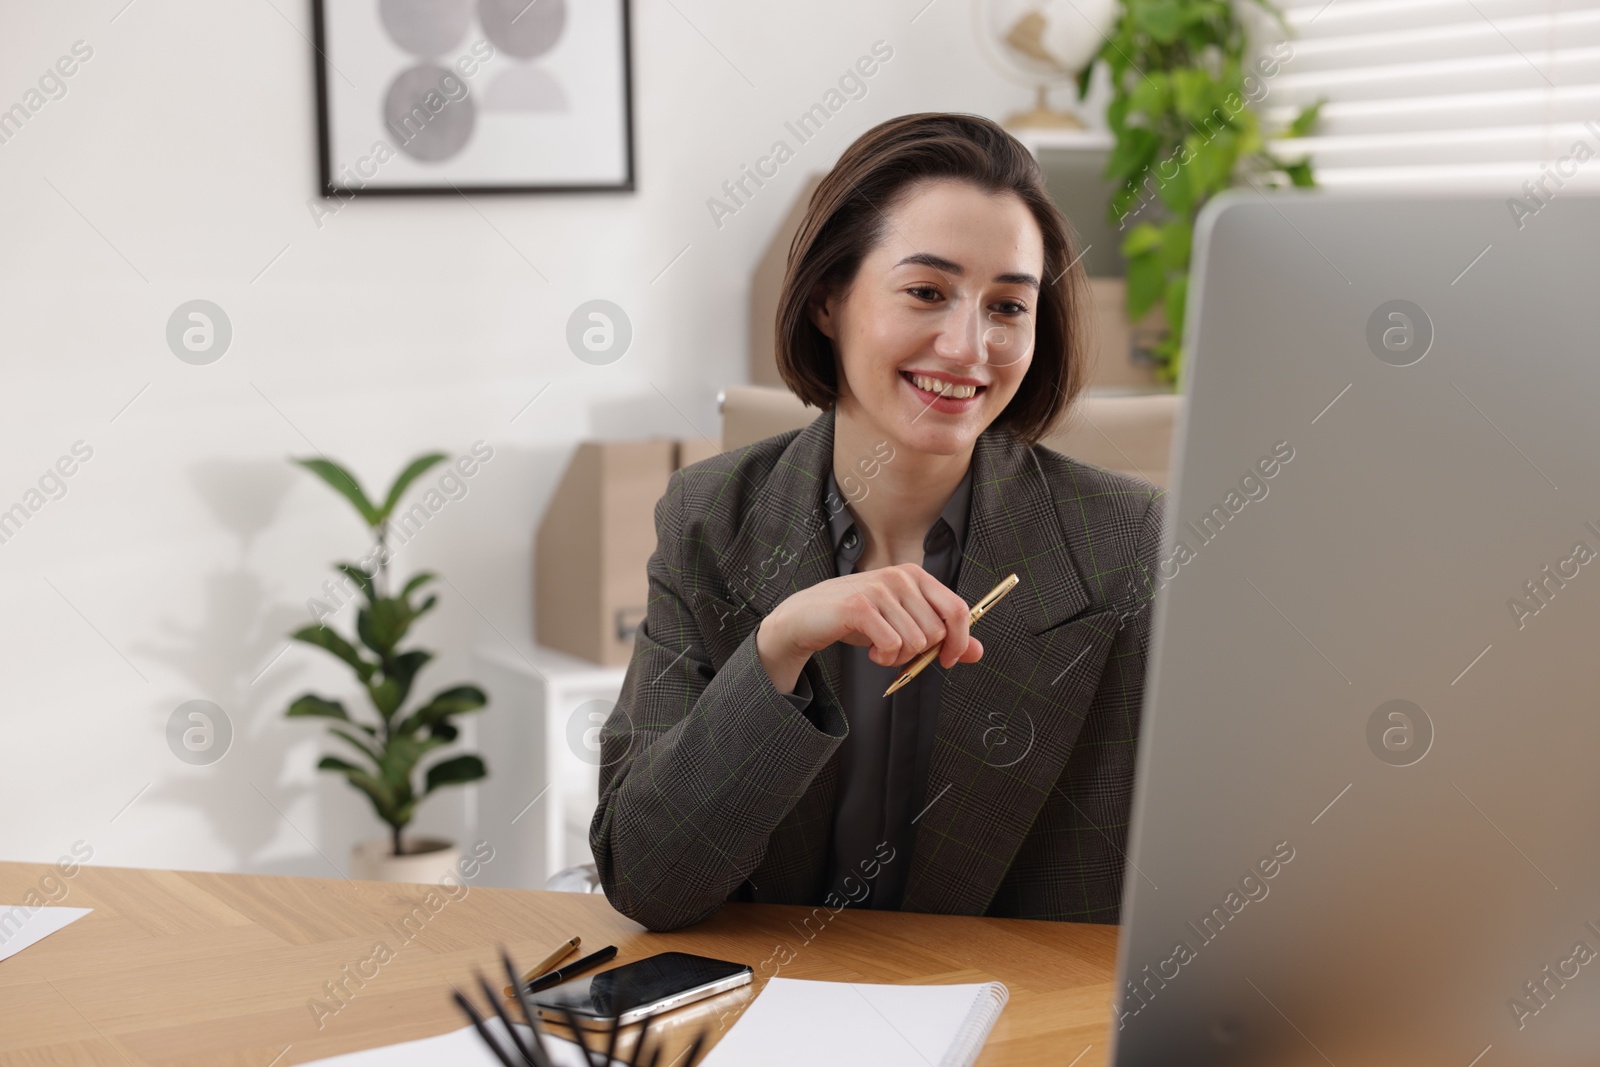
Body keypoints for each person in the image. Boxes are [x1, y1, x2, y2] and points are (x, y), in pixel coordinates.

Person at [590, 112, 1166, 932]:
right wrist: (777, 649)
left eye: (1008, 307)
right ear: (829, 299)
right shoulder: (710, 520)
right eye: (927, 292)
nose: (970, 347)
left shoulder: (1131, 544)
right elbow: (646, 878)